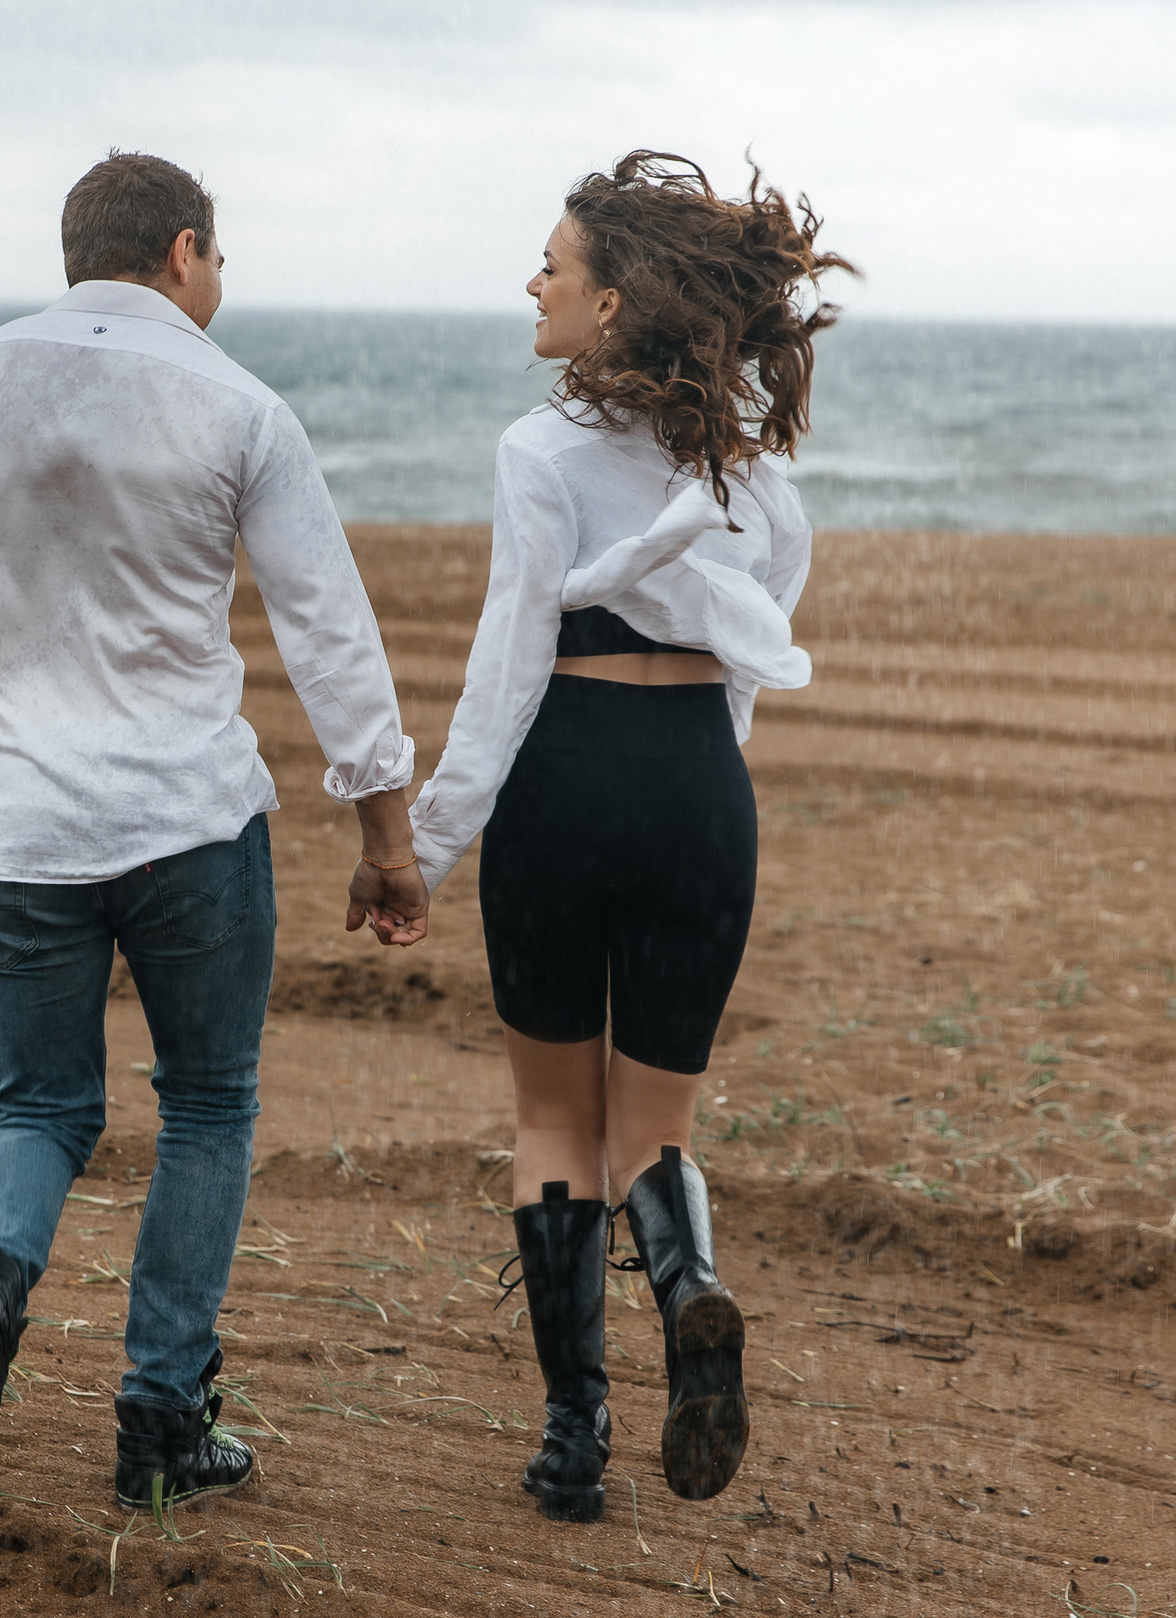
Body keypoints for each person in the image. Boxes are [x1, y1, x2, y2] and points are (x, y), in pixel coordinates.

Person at [0, 151, 431, 1525]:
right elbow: (328, 632)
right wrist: (386, 833)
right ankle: (162, 1420)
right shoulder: (238, 404)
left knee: (43, 1107)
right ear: (183, 251)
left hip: (18, 829)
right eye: (217, 261)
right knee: (210, 1104)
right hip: (185, 822)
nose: (218, 284)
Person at [407, 151, 851, 1520]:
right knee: (654, 1119)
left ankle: (573, 1429)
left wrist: (427, 841)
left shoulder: (536, 451)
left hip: (566, 778)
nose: (533, 281)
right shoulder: (751, 473)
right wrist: (697, 789)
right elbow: (752, 645)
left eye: (557, 264)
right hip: (698, 796)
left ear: (612, 306)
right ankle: (690, 1285)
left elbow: (507, 663)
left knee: (555, 1113)